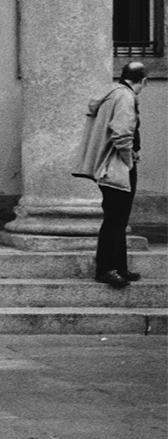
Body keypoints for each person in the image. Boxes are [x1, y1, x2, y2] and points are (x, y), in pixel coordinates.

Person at [71, 61, 147, 289]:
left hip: (108, 165)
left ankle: (119, 267)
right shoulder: (124, 96)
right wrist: (128, 159)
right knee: (115, 220)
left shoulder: (112, 93)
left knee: (117, 218)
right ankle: (106, 269)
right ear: (142, 81)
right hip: (116, 166)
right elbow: (122, 133)